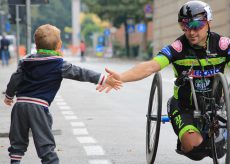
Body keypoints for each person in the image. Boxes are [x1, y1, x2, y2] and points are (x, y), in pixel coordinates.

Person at [98, 0, 230, 161]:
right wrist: (121, 77)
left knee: (220, 149)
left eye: (196, 25)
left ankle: (216, 137)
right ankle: (198, 138)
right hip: (184, 106)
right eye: (185, 26)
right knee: (195, 150)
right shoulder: (178, 48)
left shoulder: (222, 46)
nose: (191, 32)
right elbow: (150, 66)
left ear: (208, 22)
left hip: (216, 105)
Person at [3, 24, 122, 164]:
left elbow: (14, 79)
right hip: (39, 107)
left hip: (20, 106)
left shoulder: (25, 62)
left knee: (17, 141)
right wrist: (103, 79)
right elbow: (81, 73)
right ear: (59, 45)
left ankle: (15, 162)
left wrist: (9, 96)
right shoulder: (59, 64)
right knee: (45, 144)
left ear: (36, 44)